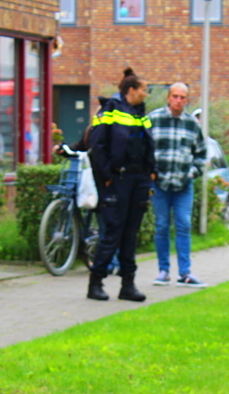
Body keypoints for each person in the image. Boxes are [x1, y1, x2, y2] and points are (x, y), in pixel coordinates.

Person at [86, 67, 157, 302]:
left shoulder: (140, 113)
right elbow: (97, 144)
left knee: (130, 234)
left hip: (138, 180)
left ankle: (128, 284)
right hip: (118, 180)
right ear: (132, 90)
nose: (146, 94)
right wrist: (107, 173)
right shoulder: (111, 109)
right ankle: (96, 282)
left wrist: (152, 171)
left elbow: (147, 145)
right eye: (144, 90)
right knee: (113, 232)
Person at [148, 82, 208, 287]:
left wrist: (191, 173)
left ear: (187, 100)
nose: (178, 100)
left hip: (183, 185)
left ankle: (185, 273)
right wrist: (151, 172)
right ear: (168, 97)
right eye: (175, 96)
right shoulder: (154, 119)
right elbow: (143, 149)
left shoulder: (192, 123)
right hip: (160, 184)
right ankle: (163, 271)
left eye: (182, 97)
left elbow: (201, 154)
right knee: (162, 226)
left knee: (183, 225)